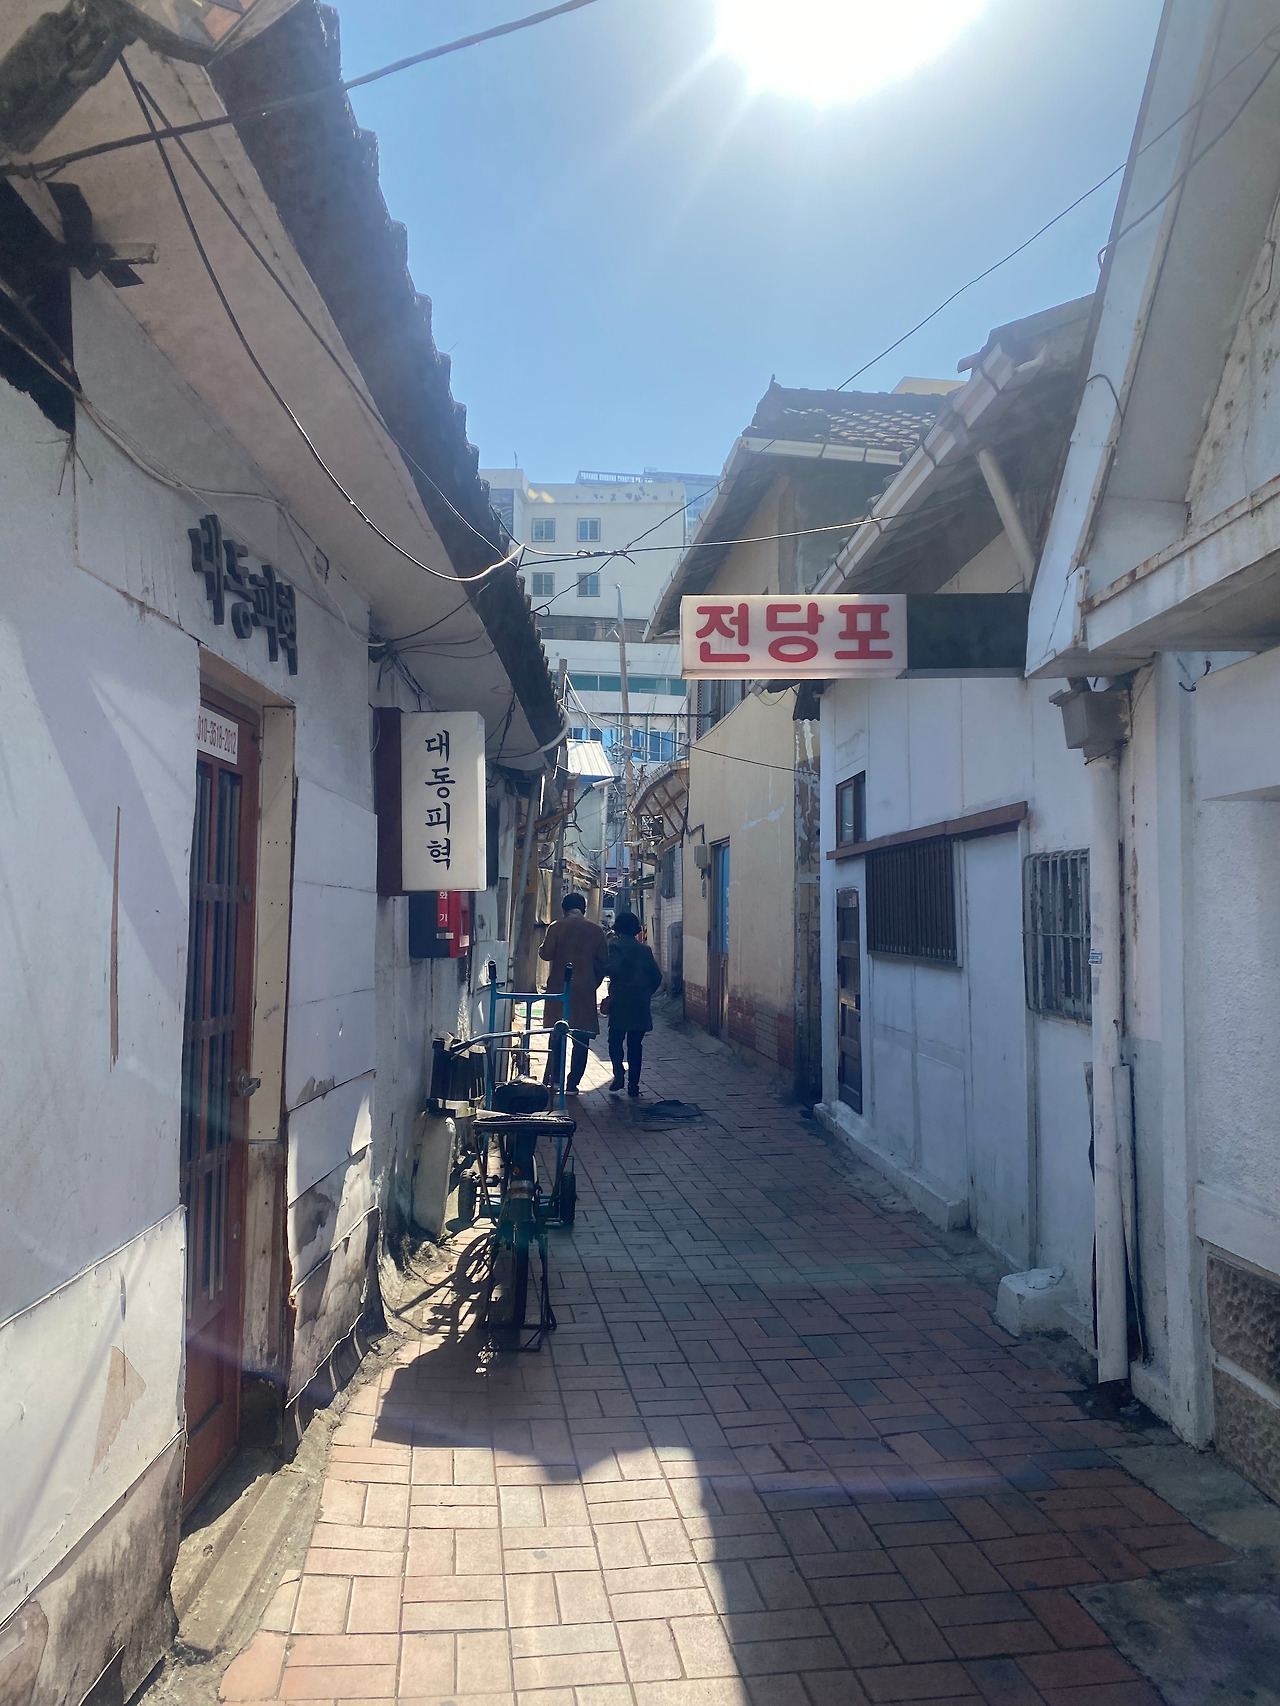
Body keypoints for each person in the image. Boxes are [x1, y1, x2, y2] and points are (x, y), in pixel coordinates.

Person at [538, 892, 608, 1095]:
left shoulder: (556, 927)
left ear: (564, 909)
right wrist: (592, 983)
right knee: (581, 1038)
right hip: (584, 991)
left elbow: (545, 954)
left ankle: (555, 1080)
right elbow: (604, 963)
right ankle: (572, 1084)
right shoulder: (596, 931)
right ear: (583, 909)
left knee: (557, 1034)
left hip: (559, 989)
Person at [604, 911, 662, 1098]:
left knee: (615, 1040)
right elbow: (657, 976)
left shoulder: (616, 946)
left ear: (619, 929)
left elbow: (613, 968)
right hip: (640, 1004)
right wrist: (645, 992)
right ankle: (634, 1085)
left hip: (621, 1002)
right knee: (635, 1045)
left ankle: (619, 1072)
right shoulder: (645, 950)